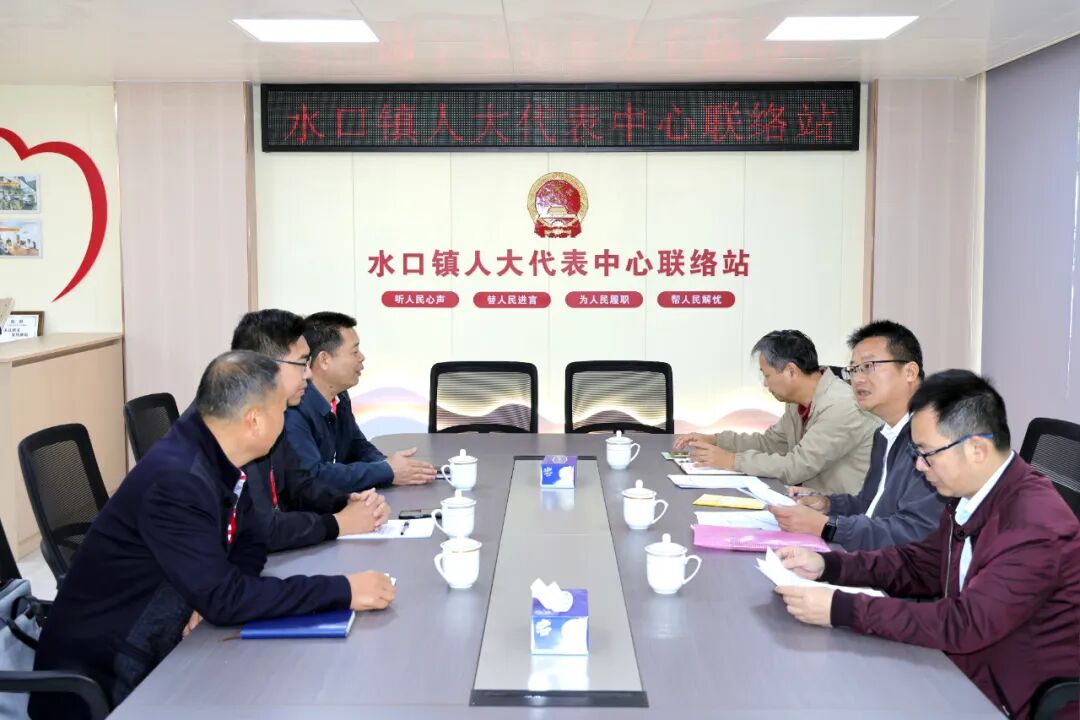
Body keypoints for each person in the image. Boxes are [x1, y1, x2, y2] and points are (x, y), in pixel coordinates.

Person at [30, 352, 396, 719]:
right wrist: (342, 590)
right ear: (254, 420)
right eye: (281, 411)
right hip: (108, 678)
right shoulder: (178, 480)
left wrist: (207, 596)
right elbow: (226, 599)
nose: (285, 420)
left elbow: (250, 544)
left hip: (160, 644)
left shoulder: (219, 456)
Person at [774, 370, 1080, 719]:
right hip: (964, 670)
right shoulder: (971, 496)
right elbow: (920, 566)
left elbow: (965, 624)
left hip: (1011, 698)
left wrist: (842, 608)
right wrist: (829, 566)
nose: (919, 466)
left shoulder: (1034, 524)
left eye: (927, 454)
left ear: (976, 449)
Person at [768, 321, 945, 549]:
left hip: (895, 567)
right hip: (869, 558)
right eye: (853, 369)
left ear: (910, 372)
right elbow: (869, 505)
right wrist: (827, 504)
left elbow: (912, 532)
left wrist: (827, 526)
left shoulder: (934, 441)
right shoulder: (884, 435)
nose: (858, 379)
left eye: (869, 366)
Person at [230, 309, 390, 552]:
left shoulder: (269, 413)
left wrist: (348, 502)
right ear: (265, 368)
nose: (308, 373)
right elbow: (262, 529)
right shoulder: (234, 426)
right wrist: (338, 523)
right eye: (302, 363)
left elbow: (300, 485)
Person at [674, 329, 878, 494]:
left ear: (791, 371)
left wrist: (730, 461)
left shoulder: (840, 406)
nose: (765, 384)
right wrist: (716, 440)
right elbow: (771, 443)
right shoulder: (797, 401)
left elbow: (797, 467)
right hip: (807, 502)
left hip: (842, 517)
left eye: (767, 375)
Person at [285, 311, 436, 493]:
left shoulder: (340, 396)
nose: (362, 357)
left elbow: (356, 445)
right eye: (354, 351)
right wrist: (386, 471)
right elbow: (314, 476)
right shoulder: (294, 409)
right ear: (324, 360)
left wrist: (388, 464)